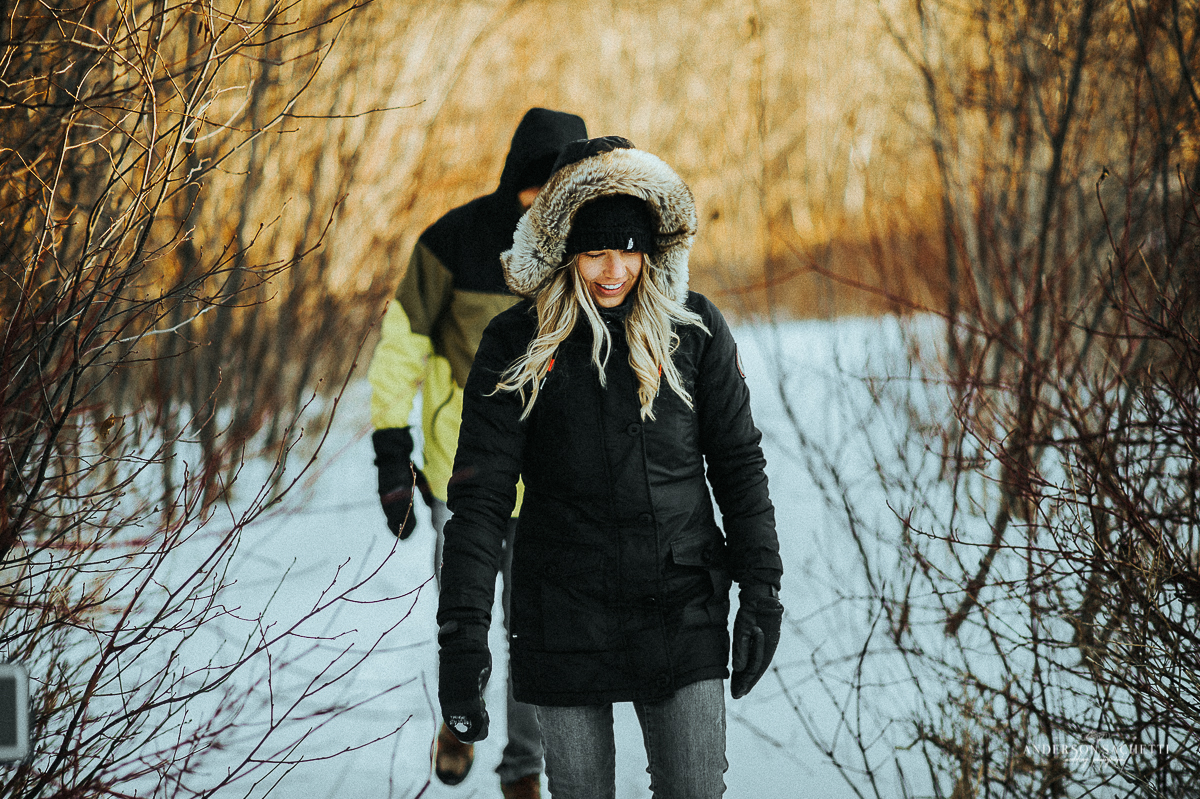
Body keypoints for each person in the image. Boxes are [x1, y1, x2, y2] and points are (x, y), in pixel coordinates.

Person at [436, 136, 785, 798]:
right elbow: (480, 499)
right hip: (563, 614)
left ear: (652, 249)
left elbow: (739, 464)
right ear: (566, 248)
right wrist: (462, 638)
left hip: (680, 604)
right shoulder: (516, 344)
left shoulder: (695, 331)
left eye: (629, 248)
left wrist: (761, 589)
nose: (613, 270)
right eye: (595, 250)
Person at [368, 108, 588, 799]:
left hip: (552, 483)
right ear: (524, 175)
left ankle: (522, 766)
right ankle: (459, 726)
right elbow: (400, 345)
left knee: (532, 631)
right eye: (543, 185)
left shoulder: (584, 247)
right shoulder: (453, 241)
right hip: (460, 477)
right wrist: (389, 449)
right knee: (464, 618)